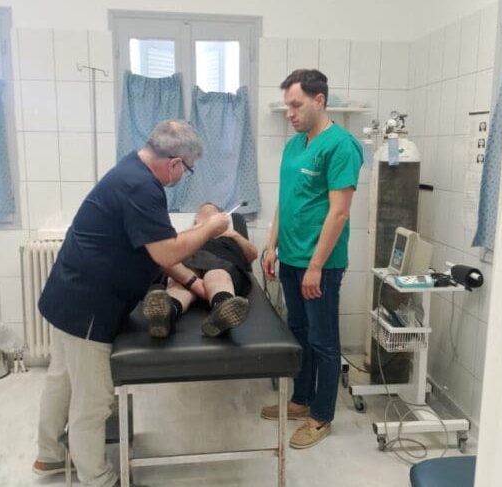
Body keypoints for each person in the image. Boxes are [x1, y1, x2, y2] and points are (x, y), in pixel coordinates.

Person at [32, 120, 230, 487]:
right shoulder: (141, 187)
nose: (183, 177)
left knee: (62, 379)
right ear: (174, 163)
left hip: (69, 293)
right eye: (187, 170)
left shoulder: (131, 168)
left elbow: (152, 247)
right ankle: (98, 478)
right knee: (93, 400)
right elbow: (166, 250)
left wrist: (191, 281)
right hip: (89, 306)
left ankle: (50, 454)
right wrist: (210, 227)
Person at [260, 69, 363, 449]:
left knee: (323, 341)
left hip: (321, 264)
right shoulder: (295, 145)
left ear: (319, 100)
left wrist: (316, 267)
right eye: (287, 106)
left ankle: (321, 417)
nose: (290, 113)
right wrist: (271, 246)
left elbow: (339, 212)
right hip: (290, 258)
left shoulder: (341, 146)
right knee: (299, 333)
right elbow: (286, 201)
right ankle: (300, 400)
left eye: (296, 105)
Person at [142, 202, 258, 338]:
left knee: (217, 274)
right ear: (196, 219)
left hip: (221, 260)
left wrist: (234, 235)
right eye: (202, 213)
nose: (207, 215)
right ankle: (167, 315)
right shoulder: (188, 235)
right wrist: (197, 230)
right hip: (188, 264)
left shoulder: (230, 236)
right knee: (178, 282)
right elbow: (169, 252)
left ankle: (222, 309)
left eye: (212, 212)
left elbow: (252, 256)